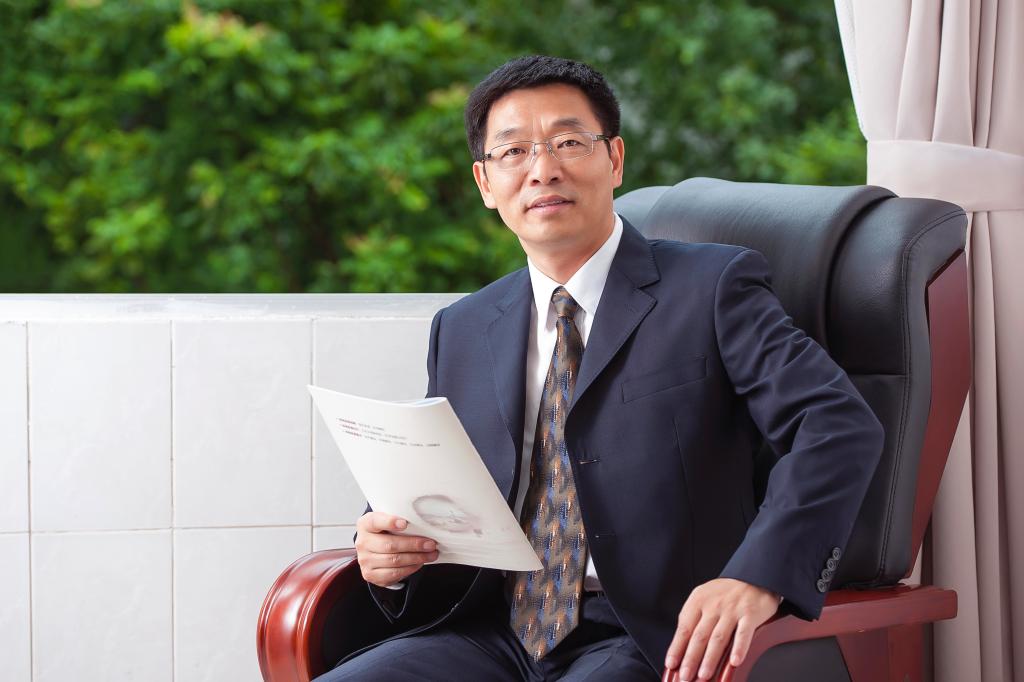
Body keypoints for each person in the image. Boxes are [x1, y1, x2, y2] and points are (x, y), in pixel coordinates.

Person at [316, 55, 883, 682]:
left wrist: (758, 575)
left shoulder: (712, 287)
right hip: (489, 631)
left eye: (568, 142)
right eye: (514, 152)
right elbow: (437, 478)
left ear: (614, 159)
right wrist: (387, 546)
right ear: (485, 183)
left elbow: (836, 424)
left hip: (651, 633)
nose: (543, 169)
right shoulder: (464, 327)